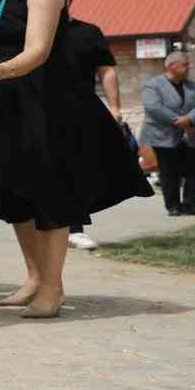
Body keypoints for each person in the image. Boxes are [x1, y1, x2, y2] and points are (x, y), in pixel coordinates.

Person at [0, 0, 152, 318]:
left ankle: (53, 287)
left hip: (48, 105)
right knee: (13, 190)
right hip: (7, 104)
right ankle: (33, 277)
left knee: (49, 191)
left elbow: (37, 51)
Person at [66, 18, 124, 247]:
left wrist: (115, 107)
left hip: (79, 109)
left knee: (76, 166)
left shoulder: (87, 32)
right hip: (36, 108)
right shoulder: (26, 27)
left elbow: (106, 69)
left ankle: (74, 228)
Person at [140, 52, 195, 216]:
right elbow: (153, 107)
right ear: (171, 66)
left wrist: (189, 119)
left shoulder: (193, 86)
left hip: (192, 135)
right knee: (170, 171)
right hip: (163, 136)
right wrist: (178, 120)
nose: (188, 67)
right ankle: (173, 206)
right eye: (185, 64)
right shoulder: (153, 85)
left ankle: (191, 205)